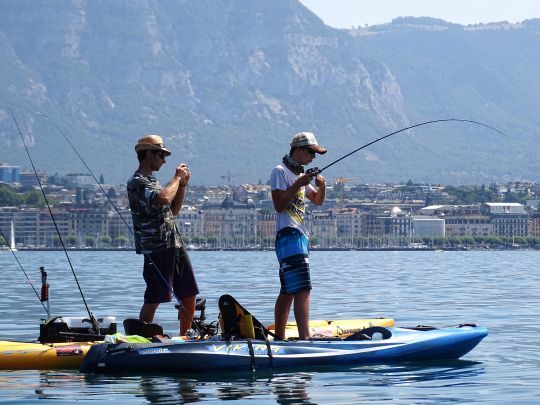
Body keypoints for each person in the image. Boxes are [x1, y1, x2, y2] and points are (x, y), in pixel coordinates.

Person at [127, 134, 199, 336]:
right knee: (155, 297)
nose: (164, 160)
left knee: (189, 294)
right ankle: (140, 337)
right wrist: (176, 178)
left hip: (174, 244)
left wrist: (182, 185)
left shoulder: (154, 182)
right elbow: (165, 198)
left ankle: (184, 337)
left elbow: (173, 210)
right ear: (149, 154)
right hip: (156, 248)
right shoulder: (137, 182)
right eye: (161, 154)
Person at [269, 132, 327, 340]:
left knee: (288, 290)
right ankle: (305, 339)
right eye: (311, 153)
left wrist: (322, 187)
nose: (313, 158)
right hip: (288, 235)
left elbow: (317, 200)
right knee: (303, 287)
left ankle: (279, 338)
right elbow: (279, 205)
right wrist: (298, 184)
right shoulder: (280, 171)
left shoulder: (300, 176)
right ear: (300, 150)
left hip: (300, 235)